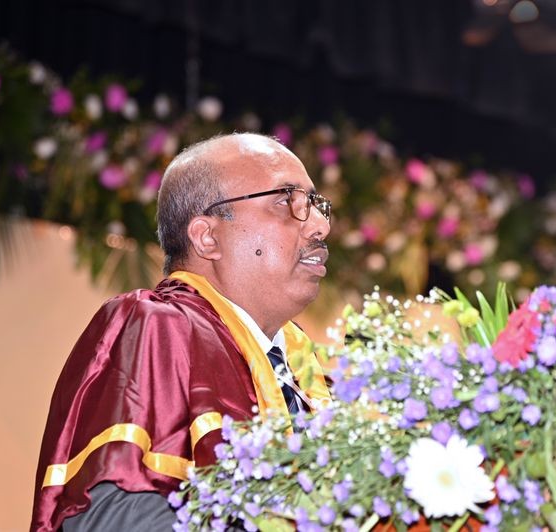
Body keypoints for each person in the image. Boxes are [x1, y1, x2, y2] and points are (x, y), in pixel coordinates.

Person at [30, 133, 332, 531]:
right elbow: (112, 518)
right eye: (286, 200)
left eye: (316, 204)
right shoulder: (156, 326)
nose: (321, 225)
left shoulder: (309, 371)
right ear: (207, 237)